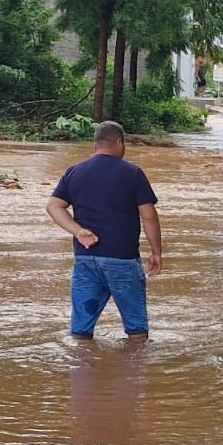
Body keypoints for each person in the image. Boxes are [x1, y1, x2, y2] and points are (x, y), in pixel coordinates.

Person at [46, 121, 163, 339]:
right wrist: (156, 252)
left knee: (80, 332)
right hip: (123, 259)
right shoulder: (133, 174)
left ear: (97, 143)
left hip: (86, 259)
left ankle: (82, 369)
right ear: (119, 141)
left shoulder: (75, 171)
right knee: (136, 330)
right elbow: (148, 216)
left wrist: (78, 231)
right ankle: (135, 371)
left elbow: (53, 206)